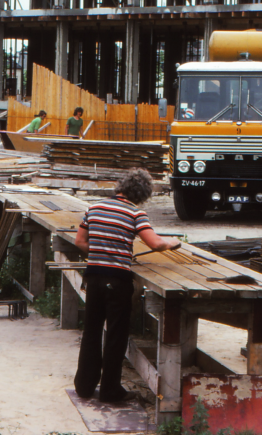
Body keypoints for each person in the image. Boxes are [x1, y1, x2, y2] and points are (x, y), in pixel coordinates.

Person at [74, 168, 180, 403]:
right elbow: (154, 243)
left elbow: (80, 241)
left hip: (93, 278)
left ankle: (84, 386)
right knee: (115, 335)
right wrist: (172, 242)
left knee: (91, 331)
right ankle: (110, 391)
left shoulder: (94, 208)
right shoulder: (135, 213)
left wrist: (101, 254)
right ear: (142, 194)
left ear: (120, 186)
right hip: (117, 281)